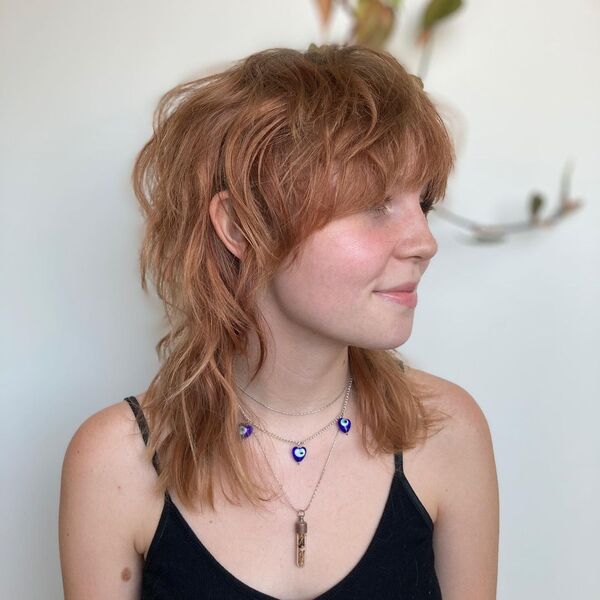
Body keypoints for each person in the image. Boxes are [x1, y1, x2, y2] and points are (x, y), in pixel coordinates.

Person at [58, 44, 499, 599]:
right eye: (375, 204)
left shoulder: (445, 431)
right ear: (241, 227)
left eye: (423, 203)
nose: (425, 242)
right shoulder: (116, 462)